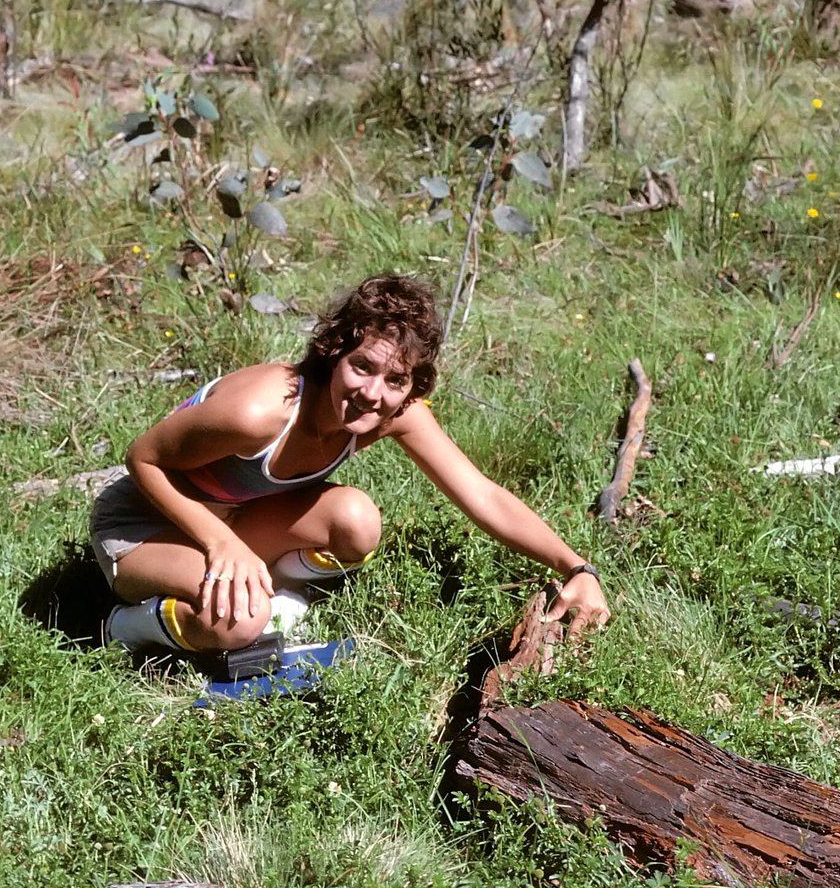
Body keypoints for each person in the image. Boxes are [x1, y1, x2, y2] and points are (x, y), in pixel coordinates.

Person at [92, 272, 610, 655]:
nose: (371, 394)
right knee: (240, 622)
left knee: (357, 522)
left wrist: (575, 567)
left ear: (413, 385)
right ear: (333, 352)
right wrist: (221, 544)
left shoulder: (394, 413)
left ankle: (270, 593)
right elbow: (142, 458)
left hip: (229, 522)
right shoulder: (260, 412)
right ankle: (122, 627)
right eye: (361, 367)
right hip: (143, 527)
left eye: (395, 380)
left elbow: (483, 495)